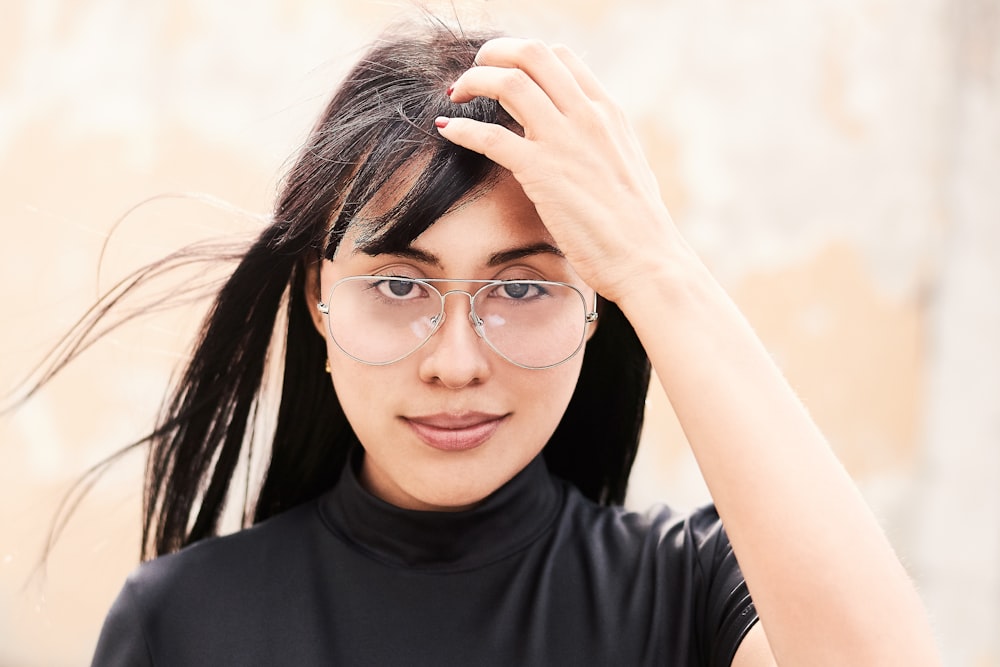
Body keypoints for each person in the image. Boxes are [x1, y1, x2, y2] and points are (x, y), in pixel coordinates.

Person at [66, 21, 939, 666]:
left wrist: (656, 264)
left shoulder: (696, 595)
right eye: (399, 283)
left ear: (596, 307)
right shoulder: (180, 623)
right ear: (318, 301)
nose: (455, 361)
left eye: (522, 287)